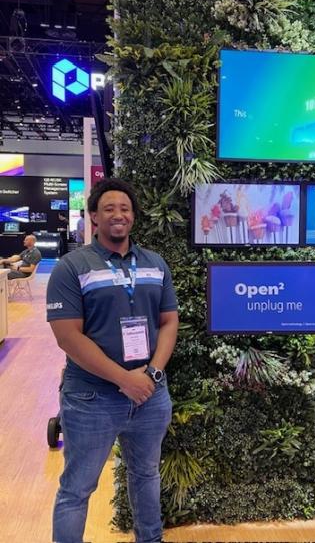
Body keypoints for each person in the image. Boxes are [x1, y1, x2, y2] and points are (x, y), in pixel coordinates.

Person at [46, 178, 178, 543]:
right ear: (93, 216)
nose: (118, 215)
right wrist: (124, 378)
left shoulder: (155, 264)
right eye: (108, 209)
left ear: (134, 217)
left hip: (151, 394)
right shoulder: (72, 267)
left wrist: (151, 374)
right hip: (91, 399)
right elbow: (68, 336)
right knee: (77, 489)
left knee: (146, 475)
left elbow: (169, 322)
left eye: (125, 209)